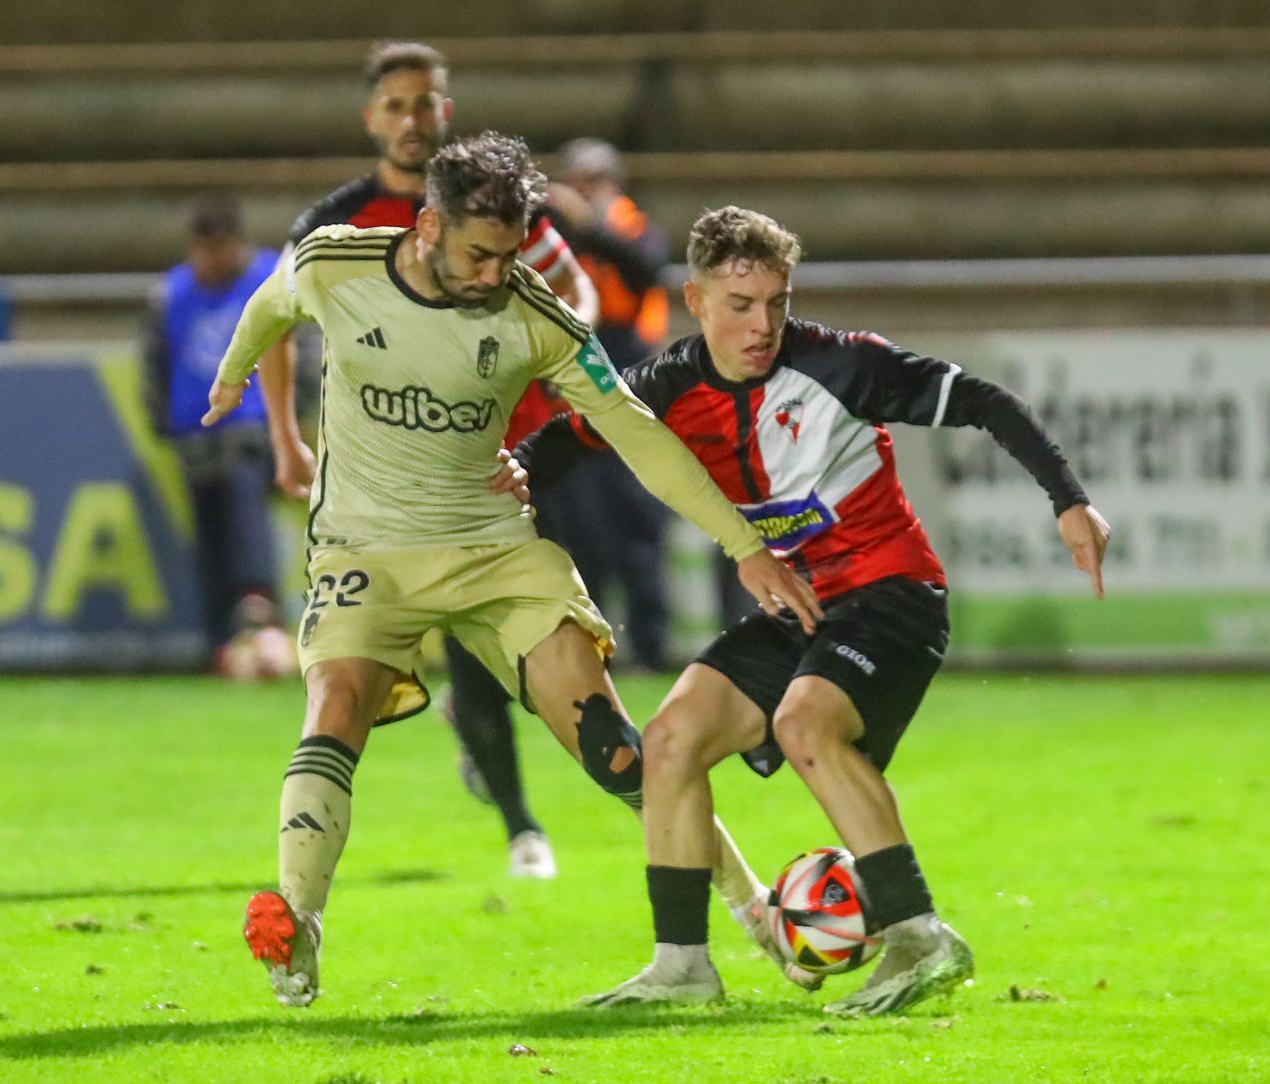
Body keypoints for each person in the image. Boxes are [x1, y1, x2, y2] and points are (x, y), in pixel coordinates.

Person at [204, 135, 823, 1008]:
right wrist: (236, 381)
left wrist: (743, 546)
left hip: (494, 552)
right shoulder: (335, 263)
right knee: (336, 703)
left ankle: (757, 916)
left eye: (510, 254)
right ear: (427, 226)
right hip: (364, 553)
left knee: (614, 753)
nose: (495, 273)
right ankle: (296, 922)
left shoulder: (534, 315)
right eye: (477, 254)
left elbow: (639, 432)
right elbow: (269, 307)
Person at [516, 206, 1112, 1016]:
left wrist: (1068, 501)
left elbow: (984, 399)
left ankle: (917, 934)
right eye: (740, 305)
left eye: (776, 302)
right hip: (798, 607)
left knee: (806, 723)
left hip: (892, 595)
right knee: (669, 739)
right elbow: (565, 443)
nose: (762, 325)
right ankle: (681, 964)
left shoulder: (840, 365)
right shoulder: (663, 386)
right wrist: (498, 485)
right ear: (695, 299)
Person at [265, 40, 603, 877]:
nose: (413, 119)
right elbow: (270, 314)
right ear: (371, 118)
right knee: (468, 655)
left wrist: (570, 358)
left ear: (445, 109)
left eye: (427, 103)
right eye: (397, 105)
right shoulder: (337, 222)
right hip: (396, 484)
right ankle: (524, 828)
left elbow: (577, 288)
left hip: (511, 460)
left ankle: (523, 796)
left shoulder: (490, 202)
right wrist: (285, 432)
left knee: (542, 650)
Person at [141, 198, 292, 673]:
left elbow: (301, 346)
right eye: (202, 251)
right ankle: (218, 640)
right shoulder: (171, 294)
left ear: (235, 245)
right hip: (194, 428)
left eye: (218, 250)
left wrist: (297, 411)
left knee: (245, 498)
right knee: (206, 533)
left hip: (253, 423)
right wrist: (161, 419)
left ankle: (256, 598)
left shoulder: (271, 280)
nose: (210, 262)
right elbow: (157, 362)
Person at [546, 139, 675, 671]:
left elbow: (646, 273)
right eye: (577, 182)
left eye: (594, 182)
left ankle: (650, 644)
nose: (585, 193)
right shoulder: (552, 242)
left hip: (628, 369)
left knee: (637, 518)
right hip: (573, 373)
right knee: (582, 523)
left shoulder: (635, 231)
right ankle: (592, 639)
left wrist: (587, 226)